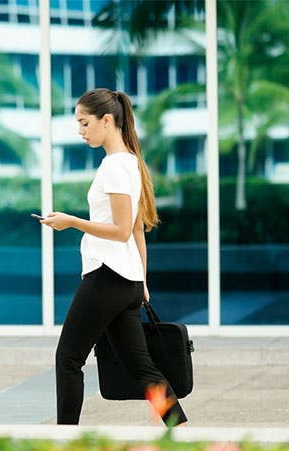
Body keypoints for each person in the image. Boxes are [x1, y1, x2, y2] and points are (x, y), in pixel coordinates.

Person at [38, 88, 187, 426]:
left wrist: (71, 222)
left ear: (107, 120)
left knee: (68, 357)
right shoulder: (129, 163)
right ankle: (179, 430)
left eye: (84, 122)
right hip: (126, 279)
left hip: (108, 276)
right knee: (141, 367)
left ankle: (64, 439)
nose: (80, 130)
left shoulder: (115, 167)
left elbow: (122, 230)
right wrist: (142, 281)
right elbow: (136, 230)